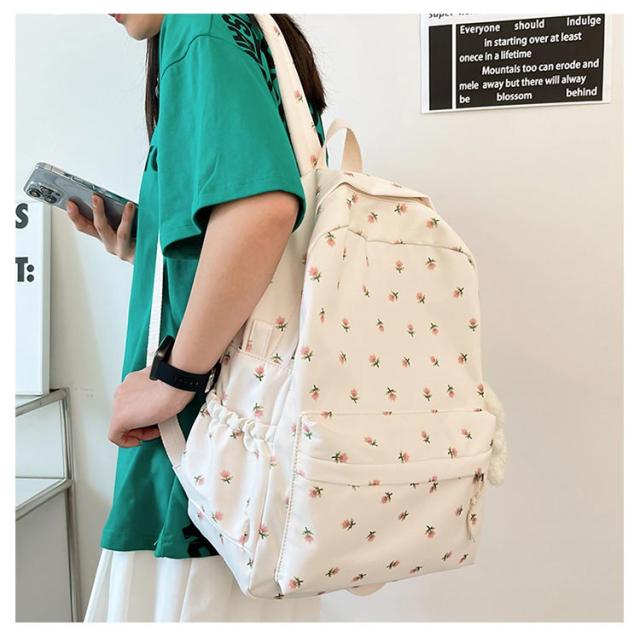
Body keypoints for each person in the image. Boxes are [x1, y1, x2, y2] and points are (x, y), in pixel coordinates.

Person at [66, 13, 327, 622]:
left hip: (200, 463)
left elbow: (263, 210)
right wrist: (145, 245)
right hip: (252, 464)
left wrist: (170, 383)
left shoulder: (197, 24)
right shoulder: (245, 27)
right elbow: (263, 233)